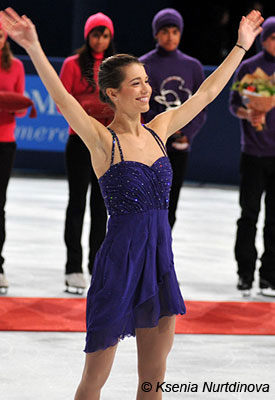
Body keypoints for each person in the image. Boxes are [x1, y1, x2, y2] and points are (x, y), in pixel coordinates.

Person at [0, 7, 263, 399]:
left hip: (159, 262)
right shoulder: (102, 141)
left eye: (146, 81)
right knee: (94, 381)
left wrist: (242, 44)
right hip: (119, 265)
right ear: (113, 92)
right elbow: (63, 95)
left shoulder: (160, 128)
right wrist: (34, 47)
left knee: (152, 380)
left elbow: (208, 92)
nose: (146, 89)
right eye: (135, 84)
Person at [59, 13, 115, 292]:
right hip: (79, 143)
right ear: (87, 35)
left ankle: (98, 265)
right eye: (96, 34)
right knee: (77, 203)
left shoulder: (115, 66)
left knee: (101, 206)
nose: (100, 40)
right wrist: (90, 108)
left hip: (106, 143)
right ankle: (72, 266)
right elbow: (62, 103)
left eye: (105, 36)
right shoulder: (71, 64)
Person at [139, 8, 207, 228]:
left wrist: (186, 133)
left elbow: (200, 107)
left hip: (179, 146)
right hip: (150, 145)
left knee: (170, 203)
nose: (170, 36)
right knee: (145, 202)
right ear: (156, 34)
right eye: (165, 31)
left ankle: (162, 251)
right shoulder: (142, 65)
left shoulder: (193, 67)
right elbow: (137, 105)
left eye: (175, 31)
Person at [229, 16, 275, 295]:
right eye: (272, 37)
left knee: (274, 219)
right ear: (264, 38)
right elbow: (234, 105)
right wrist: (250, 112)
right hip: (254, 153)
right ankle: (244, 272)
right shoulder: (248, 67)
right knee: (249, 214)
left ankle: (269, 275)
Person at [0, 21, 25, 293]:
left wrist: (9, 103)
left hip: (5, 141)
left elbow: (19, 105)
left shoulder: (16, 66)